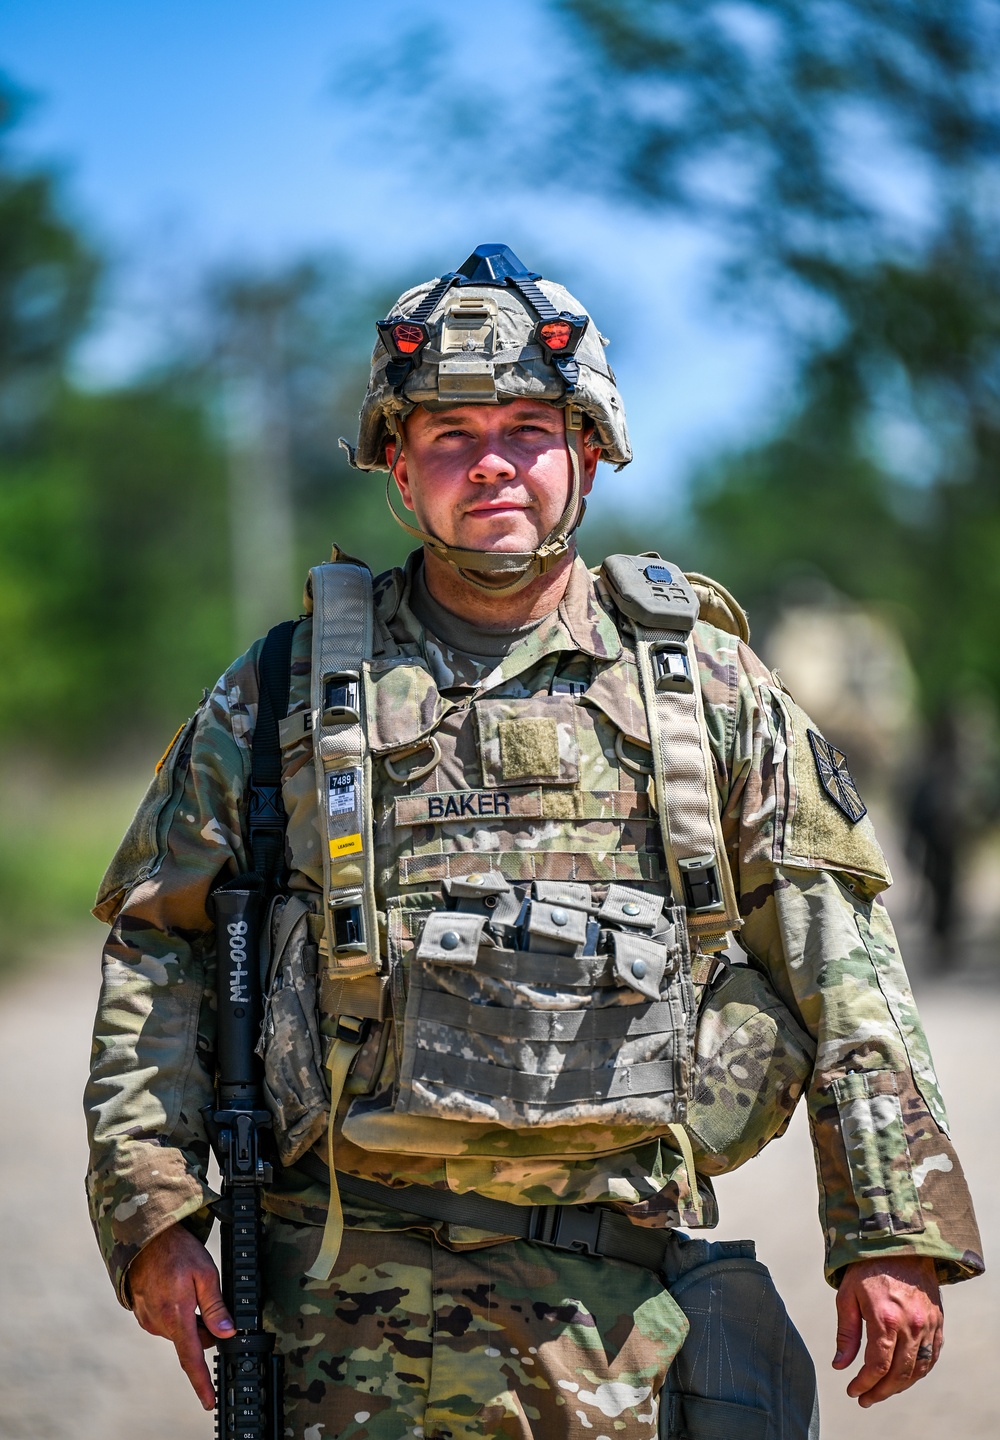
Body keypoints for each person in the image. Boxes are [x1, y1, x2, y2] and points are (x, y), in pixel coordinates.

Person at [85, 244, 983, 1439]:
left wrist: (890, 1230)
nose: (492, 463)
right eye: (450, 435)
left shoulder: (707, 689)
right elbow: (161, 950)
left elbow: (842, 963)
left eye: (527, 428)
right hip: (334, 1313)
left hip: (617, 1320)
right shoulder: (279, 692)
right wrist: (153, 1214)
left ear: (589, 454)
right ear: (397, 470)